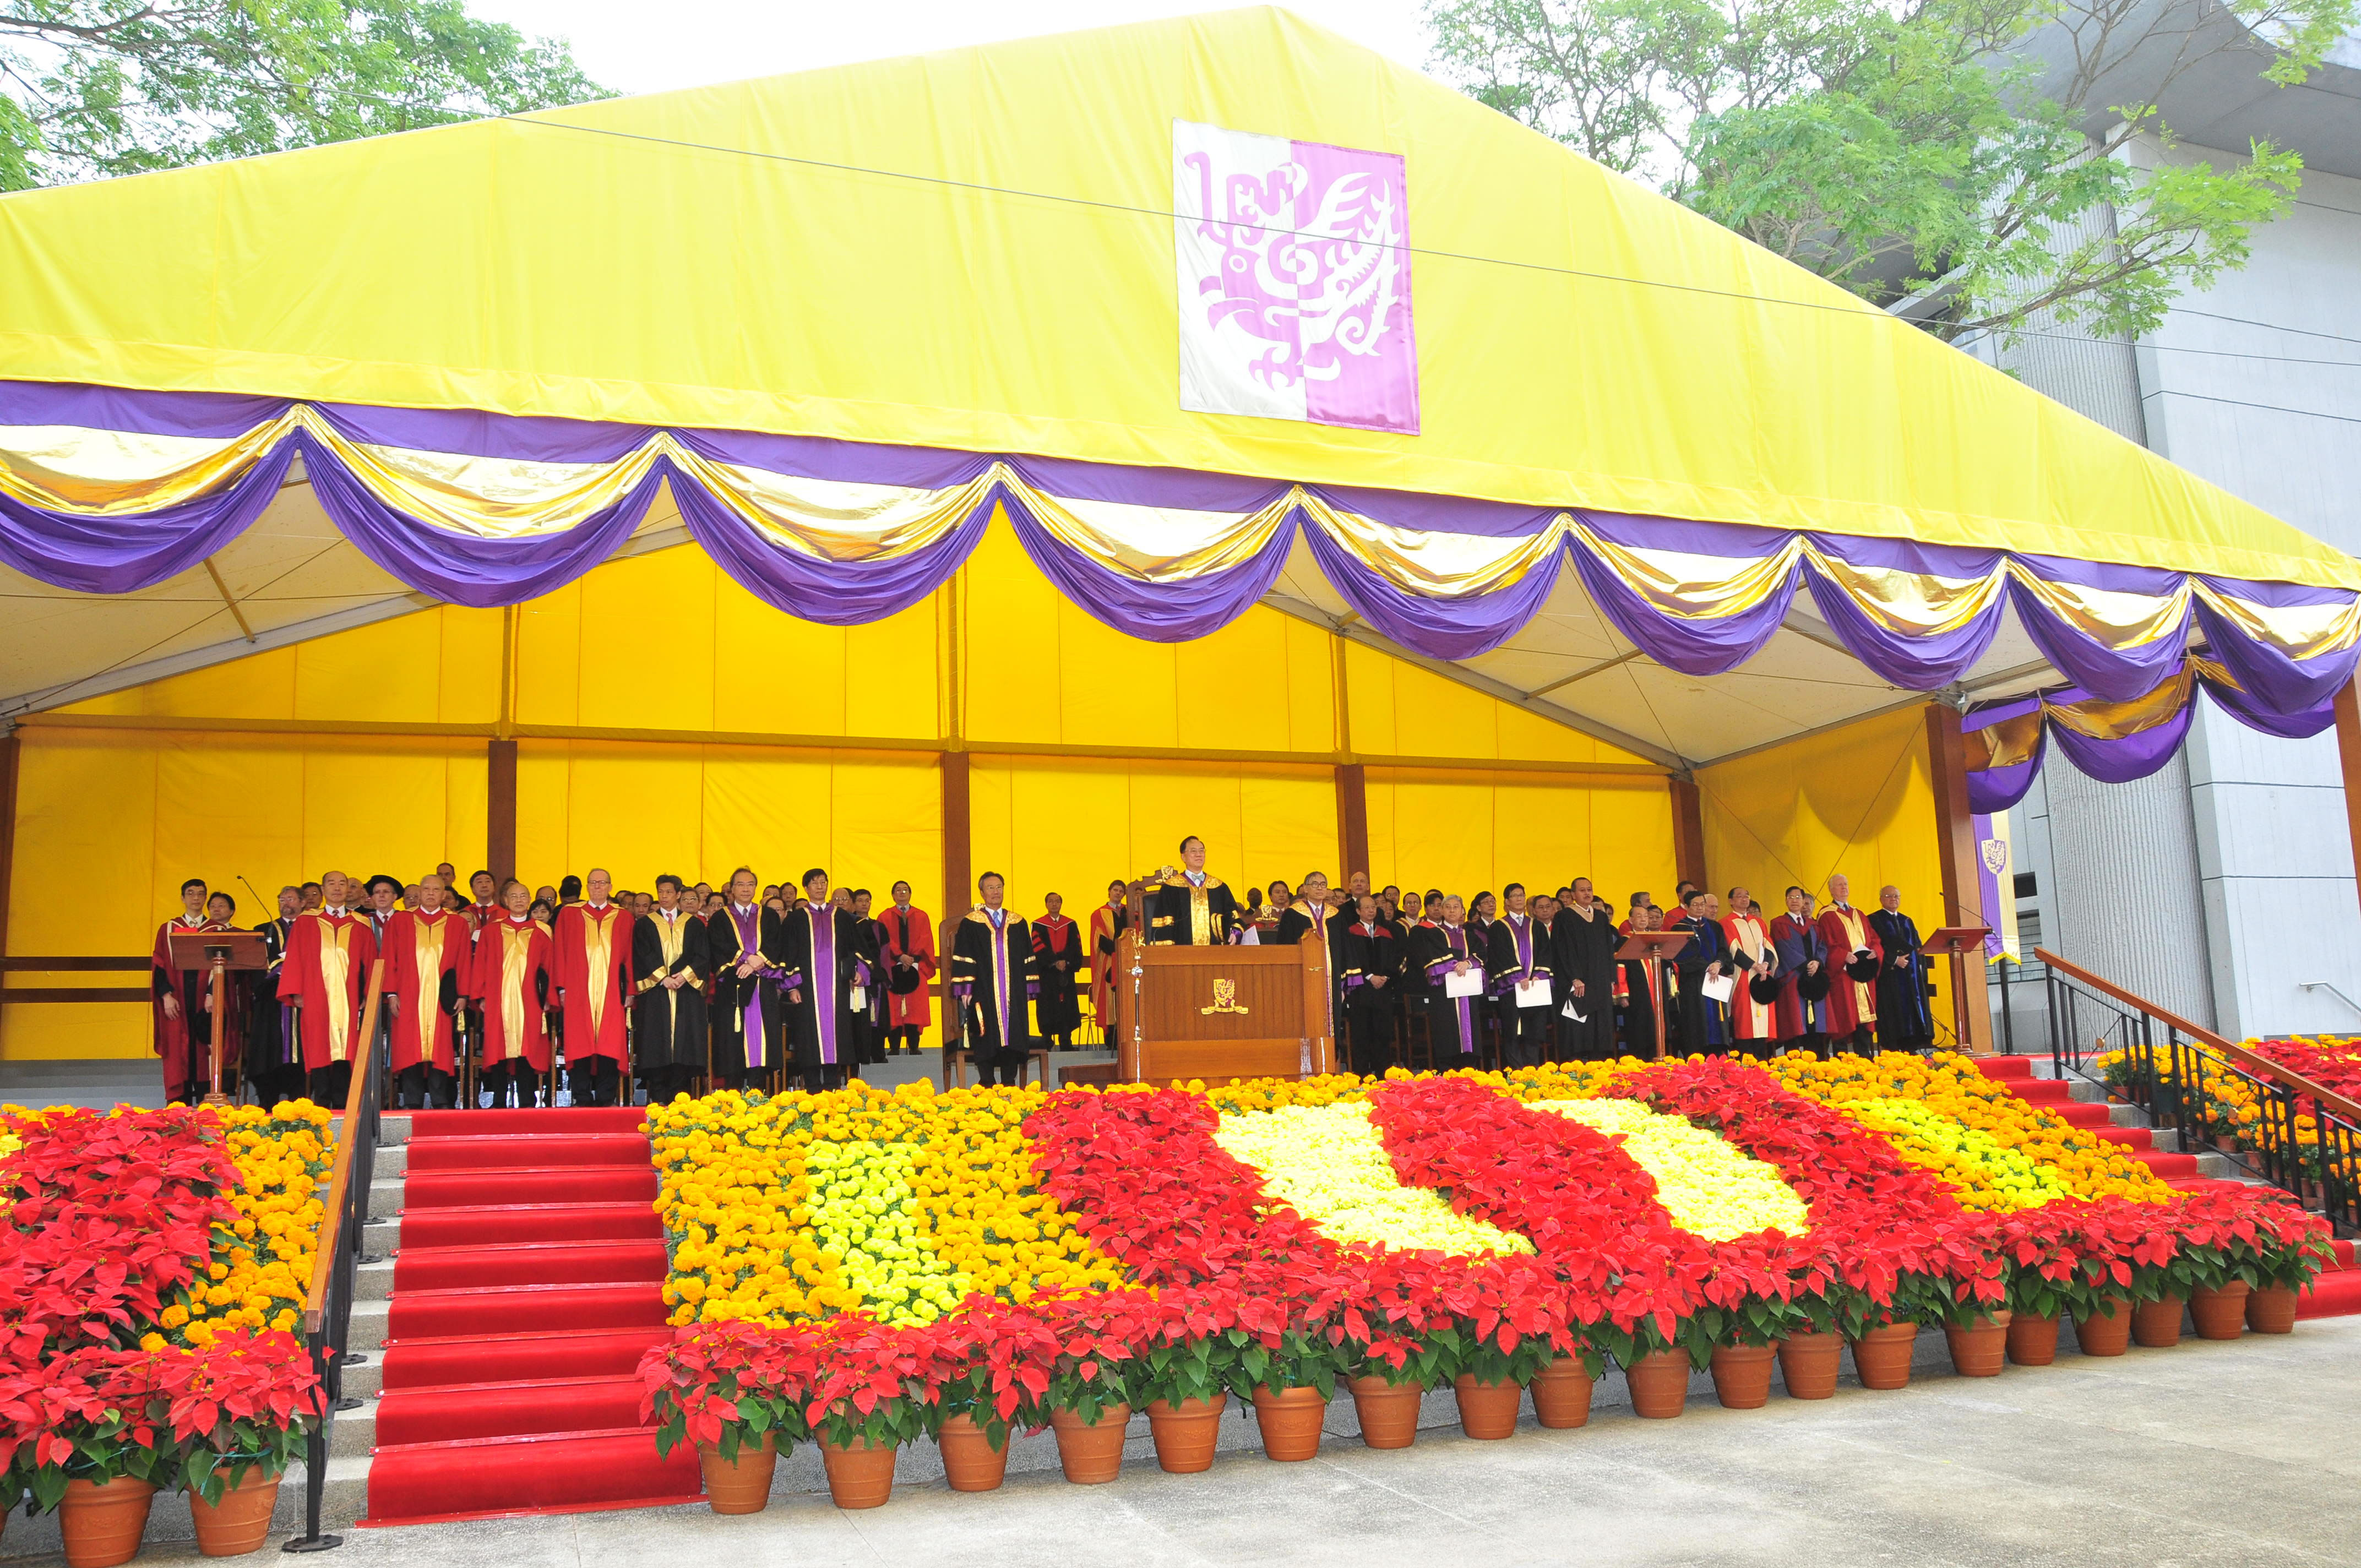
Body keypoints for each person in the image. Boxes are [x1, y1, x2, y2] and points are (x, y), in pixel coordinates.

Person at [282, 870, 378, 1106]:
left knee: (348, 1047)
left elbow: (371, 962)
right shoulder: (306, 922)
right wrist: (296, 992)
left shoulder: (361, 924)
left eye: (342, 884)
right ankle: (322, 1101)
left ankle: (345, 1101)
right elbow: (295, 958)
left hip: (350, 997)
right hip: (316, 996)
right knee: (319, 1045)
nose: (337, 888)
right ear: (323, 890)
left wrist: (368, 993)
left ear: (349, 890)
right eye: (331, 884)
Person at [782, 868, 870, 1092]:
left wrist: (859, 971)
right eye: (815, 883)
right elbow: (788, 954)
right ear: (806, 888)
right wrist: (792, 986)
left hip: (836, 988)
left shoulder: (842, 918)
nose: (820, 886)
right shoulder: (796, 919)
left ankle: (832, 1084)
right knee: (808, 1033)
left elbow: (858, 949)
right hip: (808, 988)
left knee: (837, 1034)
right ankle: (812, 1085)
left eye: (823, 882)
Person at [380, 874, 464, 1109]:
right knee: (409, 1049)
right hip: (408, 995)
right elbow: (389, 957)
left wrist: (463, 995)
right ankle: (413, 1101)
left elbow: (463, 961)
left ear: (443, 894)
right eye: (426, 889)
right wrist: (391, 994)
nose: (430, 894)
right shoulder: (401, 921)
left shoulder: (455, 922)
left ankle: (440, 1100)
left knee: (440, 1049)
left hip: (442, 997)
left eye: (436, 890)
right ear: (419, 892)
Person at [554, 867, 634, 1106]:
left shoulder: (623, 917)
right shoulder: (569, 914)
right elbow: (560, 952)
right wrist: (562, 989)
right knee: (580, 1043)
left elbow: (630, 956)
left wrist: (630, 990)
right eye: (593, 883)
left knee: (610, 1042)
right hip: (578, 991)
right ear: (587, 887)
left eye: (602, 883)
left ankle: (606, 1097)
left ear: (610, 887)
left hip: (612, 992)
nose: (598, 887)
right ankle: (582, 1096)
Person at [472, 878, 554, 1107]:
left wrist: (547, 998)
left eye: (524, 896)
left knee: (528, 1048)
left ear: (530, 901)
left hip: (530, 1001)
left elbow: (549, 968)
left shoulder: (541, 932)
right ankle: (498, 1100)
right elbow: (480, 965)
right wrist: (481, 996)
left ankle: (527, 1099)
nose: (519, 900)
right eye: (514, 896)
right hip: (498, 1000)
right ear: (506, 900)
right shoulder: (491, 932)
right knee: (499, 1048)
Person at [949, 871, 1036, 1087]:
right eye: (991, 888)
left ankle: (1010, 1082)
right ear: (982, 892)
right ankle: (986, 1081)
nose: (996, 892)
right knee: (984, 1030)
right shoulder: (971, 923)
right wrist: (966, 989)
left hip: (1013, 990)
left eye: (999, 887)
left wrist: (1028, 987)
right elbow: (964, 956)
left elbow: (1028, 955)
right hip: (983, 989)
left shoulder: (1018, 922)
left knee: (1014, 1032)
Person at [633, 874, 710, 1103]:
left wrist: (684, 976)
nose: (664, 896)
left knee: (685, 1046)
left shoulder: (694, 924)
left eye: (669, 892)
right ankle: (657, 1099)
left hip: (685, 992)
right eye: (661, 892)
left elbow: (703, 956)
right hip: (657, 992)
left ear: (678, 895)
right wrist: (662, 978)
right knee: (657, 1044)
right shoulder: (646, 924)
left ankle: (681, 1099)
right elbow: (642, 954)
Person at [708, 867, 785, 1091]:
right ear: (731, 889)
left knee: (762, 1042)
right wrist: (745, 959)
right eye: (740, 884)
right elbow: (718, 947)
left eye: (750, 884)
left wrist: (757, 962)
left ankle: (758, 1090)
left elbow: (776, 944)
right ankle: (732, 1094)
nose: (745, 889)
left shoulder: (769, 916)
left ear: (756, 888)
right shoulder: (720, 918)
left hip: (763, 987)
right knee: (732, 1042)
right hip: (732, 988)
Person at [151, 876, 222, 1104]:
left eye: (201, 894)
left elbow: (222, 966)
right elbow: (160, 965)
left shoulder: (216, 929)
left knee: (203, 1050)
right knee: (178, 1048)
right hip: (178, 999)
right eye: (191, 893)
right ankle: (178, 1105)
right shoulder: (168, 929)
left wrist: (213, 994)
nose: (196, 898)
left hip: (205, 1000)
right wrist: (166, 996)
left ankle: (205, 1102)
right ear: (183, 898)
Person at [1406, 894, 1484, 1062]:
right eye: (1448, 907)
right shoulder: (1432, 934)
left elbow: (1483, 955)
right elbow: (1431, 958)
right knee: (1447, 1034)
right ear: (1442, 910)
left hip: (1468, 993)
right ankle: (1447, 1069)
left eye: (1456, 907)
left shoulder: (1470, 935)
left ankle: (1470, 1066)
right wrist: (1456, 964)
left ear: (1463, 911)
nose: (1452, 911)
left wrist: (1468, 964)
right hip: (1444, 992)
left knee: (1470, 1033)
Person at [244, 886, 304, 1108]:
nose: (285, 903)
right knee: (268, 1049)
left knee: (300, 1050)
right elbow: (256, 965)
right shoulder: (263, 930)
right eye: (282, 899)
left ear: (302, 902)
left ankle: (300, 1100)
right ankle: (267, 1100)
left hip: (302, 999)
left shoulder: (312, 928)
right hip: (270, 999)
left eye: (290, 898)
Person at [1487, 883, 1554, 1069]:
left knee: (1534, 1030)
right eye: (1515, 896)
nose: (1519, 899)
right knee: (1512, 1031)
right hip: (1512, 988)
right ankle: (1516, 1070)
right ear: (1507, 902)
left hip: (1534, 987)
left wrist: (1539, 976)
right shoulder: (1498, 927)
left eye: (1522, 895)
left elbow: (1545, 953)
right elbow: (1499, 955)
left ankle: (1533, 1069)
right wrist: (1518, 977)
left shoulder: (1537, 926)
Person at [1552, 877, 1619, 1062]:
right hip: (1578, 981)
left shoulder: (1600, 917)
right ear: (1573, 895)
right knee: (1578, 1027)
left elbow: (1608, 949)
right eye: (1582, 890)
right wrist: (1575, 978)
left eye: (1589, 889)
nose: (1587, 893)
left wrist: (1612, 978)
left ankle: (1600, 1063)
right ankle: (1578, 1066)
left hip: (1600, 979)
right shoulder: (1564, 917)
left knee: (1601, 1026)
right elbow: (1563, 950)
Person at [1815, 874, 1884, 1054]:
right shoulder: (1827, 915)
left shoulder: (1859, 913)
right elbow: (1825, 944)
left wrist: (1876, 951)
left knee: (1865, 1017)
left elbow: (1874, 938)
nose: (1844, 888)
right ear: (1831, 890)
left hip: (1864, 975)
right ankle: (1841, 1058)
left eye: (1846, 884)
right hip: (1843, 975)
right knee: (1843, 1016)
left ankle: (1865, 1057)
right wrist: (1843, 955)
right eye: (1839, 885)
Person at [1868, 886, 1935, 1050]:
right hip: (1890, 977)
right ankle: (1893, 1049)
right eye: (1889, 896)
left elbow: (1917, 945)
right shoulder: (1874, 920)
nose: (1893, 899)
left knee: (1913, 1010)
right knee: (1893, 1012)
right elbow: (1875, 946)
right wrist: (1894, 960)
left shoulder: (1907, 920)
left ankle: (1912, 1047)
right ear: (1881, 899)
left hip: (1911, 977)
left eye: (1897, 896)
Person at [1142, 835, 1239, 945]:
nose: (1199, 854)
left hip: (1216, 954)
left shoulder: (1219, 887)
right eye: (1193, 851)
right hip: (1182, 954)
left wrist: (1234, 933)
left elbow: (1233, 917)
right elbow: (1164, 924)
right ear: (1183, 857)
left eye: (1202, 851)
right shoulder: (1170, 888)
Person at [1340, 894, 1397, 1074]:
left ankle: (1383, 1074)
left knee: (1382, 1034)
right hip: (1362, 991)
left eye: (1373, 907)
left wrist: (1386, 976)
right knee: (1362, 1035)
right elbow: (1351, 959)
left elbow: (1393, 958)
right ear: (1358, 911)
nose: (1371, 910)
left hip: (1383, 992)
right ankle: (1362, 1075)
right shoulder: (1351, 933)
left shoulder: (1386, 932)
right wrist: (1370, 976)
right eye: (1367, 908)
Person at [1770, 886, 1830, 1057]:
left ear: (1804, 900)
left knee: (1815, 1023)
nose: (1794, 900)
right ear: (1786, 901)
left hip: (1814, 977)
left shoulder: (1814, 925)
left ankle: (1818, 1061)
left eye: (1798, 897)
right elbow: (1783, 947)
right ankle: (1794, 1063)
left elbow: (1822, 946)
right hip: (1793, 977)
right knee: (1795, 1023)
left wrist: (1817, 963)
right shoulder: (1778, 923)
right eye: (1791, 897)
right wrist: (1805, 965)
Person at [878, 880, 935, 1056]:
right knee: (893, 1008)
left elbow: (925, 939)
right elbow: (884, 940)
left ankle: (914, 1046)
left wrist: (912, 958)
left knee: (915, 1008)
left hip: (916, 967)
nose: (902, 893)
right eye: (898, 891)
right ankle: (894, 1047)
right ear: (893, 895)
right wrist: (899, 956)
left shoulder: (921, 916)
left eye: (905, 890)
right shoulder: (885, 917)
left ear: (910, 894)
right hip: (893, 966)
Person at [1669, 889, 1729, 1055]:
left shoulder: (1715, 927)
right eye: (1695, 905)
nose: (1700, 908)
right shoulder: (1680, 928)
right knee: (1699, 1022)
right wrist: (1707, 967)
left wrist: (1718, 964)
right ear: (1686, 906)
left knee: (1718, 1022)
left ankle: (1719, 1055)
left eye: (1702, 904)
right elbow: (1682, 955)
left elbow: (1724, 950)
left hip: (1716, 980)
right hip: (1694, 982)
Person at [1720, 887, 1779, 1055]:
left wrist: (1766, 964)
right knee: (1745, 1021)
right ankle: (1746, 1061)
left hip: (1762, 975)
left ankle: (1762, 1061)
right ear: (1731, 901)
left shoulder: (1759, 922)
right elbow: (1734, 950)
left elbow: (1768, 944)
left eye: (1747, 896)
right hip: (1744, 975)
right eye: (1739, 897)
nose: (1744, 899)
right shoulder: (1726, 923)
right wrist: (1754, 965)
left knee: (1762, 1022)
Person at [1031, 892, 1083, 1049]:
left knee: (1067, 1006)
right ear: (1046, 904)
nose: (1054, 904)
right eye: (1051, 901)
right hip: (1047, 974)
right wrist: (1054, 962)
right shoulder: (1038, 924)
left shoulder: (1071, 924)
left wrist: (1065, 961)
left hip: (1065, 973)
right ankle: (1046, 1040)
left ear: (1061, 904)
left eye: (1057, 901)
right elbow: (1037, 947)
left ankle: (1066, 1040)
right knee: (1047, 1006)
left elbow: (1075, 946)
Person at [1088, 879, 1128, 1036]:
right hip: (1109, 960)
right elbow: (1100, 939)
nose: (1118, 893)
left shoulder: (1130, 911)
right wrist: (1117, 950)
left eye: (1121, 891)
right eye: (1115, 890)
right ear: (1109, 892)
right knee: (1110, 1000)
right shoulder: (1099, 914)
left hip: (1128, 960)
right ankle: (1111, 1034)